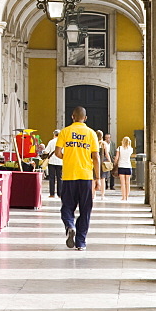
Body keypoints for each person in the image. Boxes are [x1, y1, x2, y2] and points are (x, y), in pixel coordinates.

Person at [55, 106, 100, 250]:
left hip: (69, 175)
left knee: (67, 206)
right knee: (85, 209)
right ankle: (81, 242)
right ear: (85, 118)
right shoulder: (91, 133)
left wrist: (67, 158)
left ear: (72, 117)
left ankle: (70, 225)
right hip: (86, 176)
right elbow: (96, 157)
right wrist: (97, 178)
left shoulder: (65, 132)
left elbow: (57, 152)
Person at [42, 129, 63, 198]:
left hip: (51, 162)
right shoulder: (63, 142)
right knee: (60, 178)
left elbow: (46, 151)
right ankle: (60, 194)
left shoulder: (51, 142)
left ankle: (52, 194)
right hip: (60, 162)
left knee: (52, 178)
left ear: (54, 135)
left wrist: (43, 152)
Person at [114, 136, 133, 201]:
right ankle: (127, 197)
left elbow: (117, 158)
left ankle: (123, 197)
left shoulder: (119, 148)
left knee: (122, 183)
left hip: (121, 166)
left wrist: (114, 164)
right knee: (128, 182)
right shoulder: (131, 149)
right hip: (128, 166)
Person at [94, 129, 110, 201]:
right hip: (102, 163)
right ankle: (102, 195)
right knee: (103, 179)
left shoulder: (93, 143)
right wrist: (109, 161)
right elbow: (106, 154)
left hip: (94, 162)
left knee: (93, 179)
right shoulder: (104, 144)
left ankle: (93, 195)